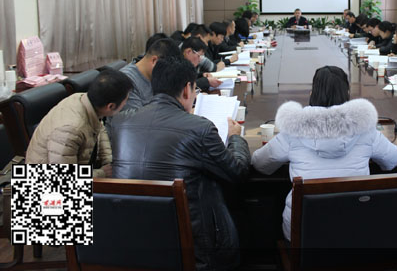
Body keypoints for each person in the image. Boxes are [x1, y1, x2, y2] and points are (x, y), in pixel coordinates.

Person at [111, 58, 250, 270]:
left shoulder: (120, 122)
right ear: (187, 89)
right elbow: (237, 172)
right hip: (190, 250)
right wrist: (235, 137)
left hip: (130, 243)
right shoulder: (200, 128)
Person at [251, 66, 397, 242]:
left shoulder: (293, 129)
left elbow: (260, 163)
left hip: (304, 233)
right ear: (347, 94)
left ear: (312, 93)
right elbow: (393, 160)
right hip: (355, 230)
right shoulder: (365, 128)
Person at [25, 69, 133, 177]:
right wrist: (102, 173)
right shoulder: (70, 130)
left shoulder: (84, 99)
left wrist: (109, 162)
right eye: (125, 101)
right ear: (111, 106)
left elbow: (99, 129)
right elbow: (64, 178)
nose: (125, 104)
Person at [119, 38, 182, 113]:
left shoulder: (155, 75)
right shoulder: (126, 81)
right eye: (167, 69)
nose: (167, 74)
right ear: (154, 61)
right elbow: (136, 119)